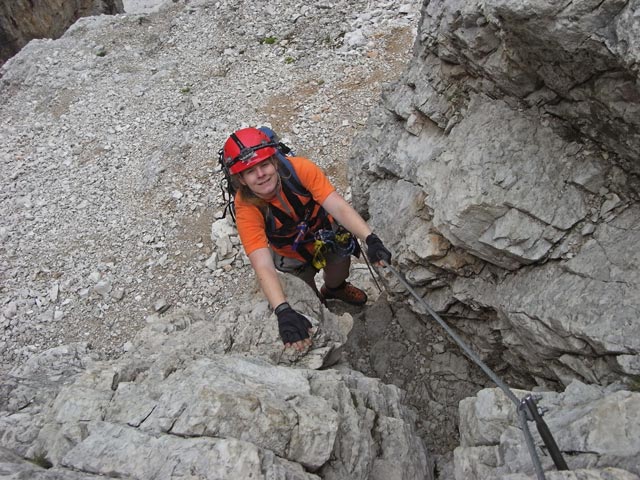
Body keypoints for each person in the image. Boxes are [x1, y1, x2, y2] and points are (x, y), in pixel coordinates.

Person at [222, 127, 392, 351]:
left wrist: (370, 239)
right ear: (241, 179)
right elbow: (262, 263)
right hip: (290, 254)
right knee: (307, 296)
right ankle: (319, 305)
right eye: (251, 171)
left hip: (326, 235)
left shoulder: (300, 169)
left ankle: (334, 289)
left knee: (338, 272)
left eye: (264, 165)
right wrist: (282, 310)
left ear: (274, 162)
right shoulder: (246, 208)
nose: (261, 174)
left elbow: (337, 206)